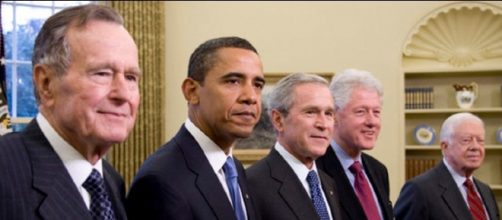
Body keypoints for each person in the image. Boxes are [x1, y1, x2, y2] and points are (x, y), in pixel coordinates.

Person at [0, 4, 140, 220]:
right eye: (102, 73)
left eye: (131, 77)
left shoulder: (111, 181)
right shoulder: (6, 172)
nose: (123, 94)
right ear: (46, 84)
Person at [126, 36, 264, 220]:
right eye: (233, 81)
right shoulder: (160, 181)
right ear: (192, 92)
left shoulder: (234, 168)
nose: (251, 97)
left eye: (257, 85)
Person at [247, 73, 342, 220]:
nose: (323, 124)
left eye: (329, 113)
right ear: (278, 120)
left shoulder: (328, 183)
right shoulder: (252, 184)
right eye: (310, 112)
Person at [316, 69, 393, 220]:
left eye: (376, 112)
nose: (371, 122)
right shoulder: (315, 170)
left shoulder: (379, 171)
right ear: (335, 115)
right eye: (361, 112)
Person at [394, 112, 500, 220]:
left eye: (480, 140)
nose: (475, 147)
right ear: (445, 147)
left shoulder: (485, 191)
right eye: (466, 140)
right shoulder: (420, 190)